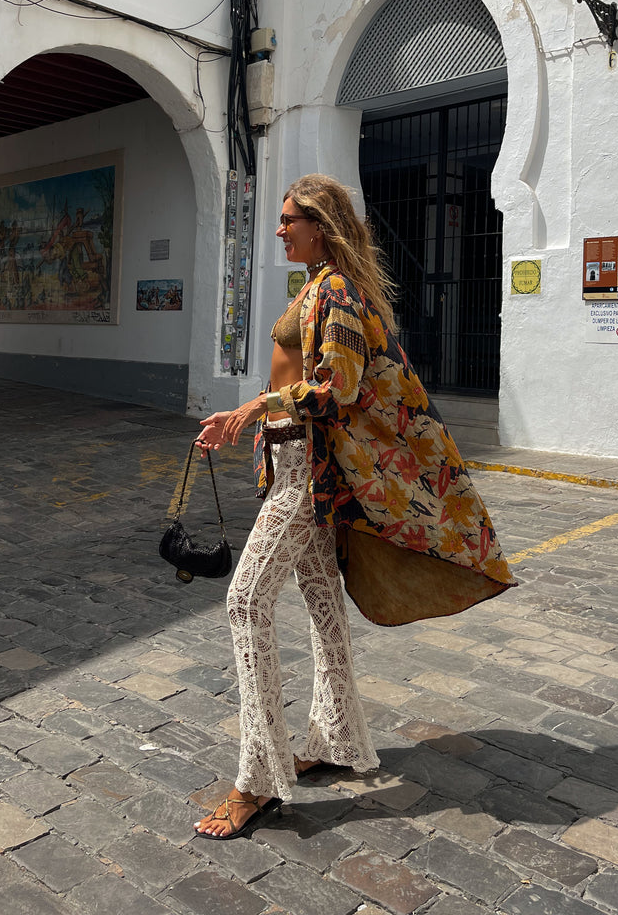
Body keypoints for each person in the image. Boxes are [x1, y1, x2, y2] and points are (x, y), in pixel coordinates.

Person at [193, 174, 515, 840]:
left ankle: (257, 778)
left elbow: (338, 387)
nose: (280, 229)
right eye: (281, 219)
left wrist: (258, 405)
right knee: (320, 605)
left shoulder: (335, 288)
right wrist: (250, 413)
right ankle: (334, 739)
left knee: (245, 602)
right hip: (292, 463)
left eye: (290, 219)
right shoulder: (316, 287)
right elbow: (300, 375)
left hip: (304, 476)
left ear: (322, 223)